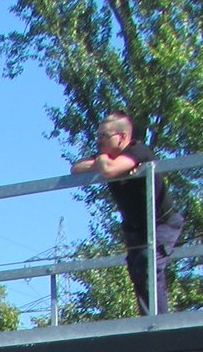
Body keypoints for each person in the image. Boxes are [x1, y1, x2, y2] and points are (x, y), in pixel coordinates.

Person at [71, 109, 186, 315]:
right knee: (136, 269)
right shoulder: (108, 157)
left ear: (122, 137)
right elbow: (76, 168)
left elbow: (109, 170)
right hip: (135, 227)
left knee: (148, 264)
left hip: (161, 223)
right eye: (98, 136)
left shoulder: (139, 151)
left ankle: (159, 322)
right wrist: (104, 162)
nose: (99, 141)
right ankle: (149, 320)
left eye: (104, 136)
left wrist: (105, 163)